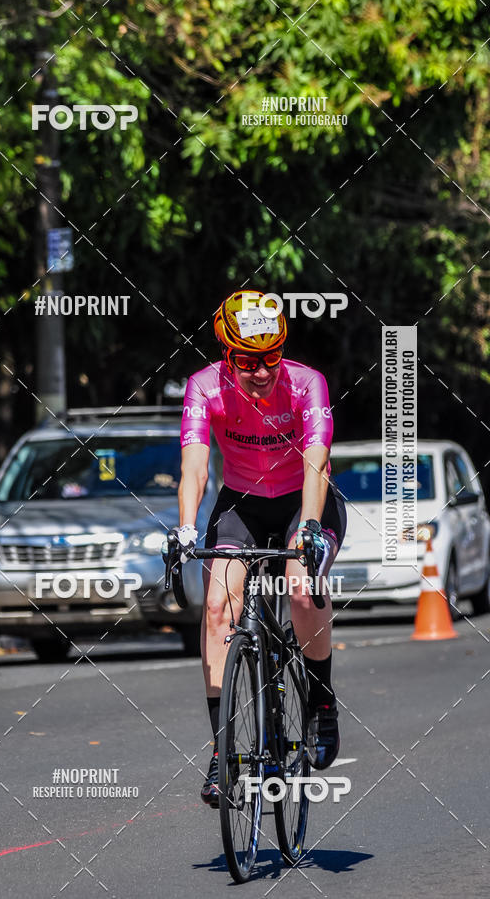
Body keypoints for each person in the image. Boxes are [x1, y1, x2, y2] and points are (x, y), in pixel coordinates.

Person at [175, 290, 347, 808]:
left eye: (270, 357)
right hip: (242, 505)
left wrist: (311, 527)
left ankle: (320, 699)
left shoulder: (305, 384)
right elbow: (196, 466)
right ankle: (223, 753)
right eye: (248, 361)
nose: (261, 372)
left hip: (305, 501)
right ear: (228, 354)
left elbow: (317, 461)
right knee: (216, 606)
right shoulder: (204, 388)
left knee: (299, 587)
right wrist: (186, 528)